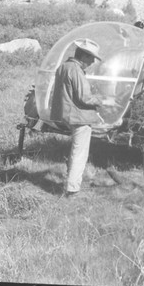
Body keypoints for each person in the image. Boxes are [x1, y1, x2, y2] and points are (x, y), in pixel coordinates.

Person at [50, 38, 104, 197]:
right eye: (92, 58)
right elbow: (84, 98)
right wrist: (102, 100)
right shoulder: (76, 70)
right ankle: (72, 190)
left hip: (67, 115)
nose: (93, 61)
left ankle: (70, 183)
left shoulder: (64, 67)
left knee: (75, 151)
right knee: (79, 154)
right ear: (85, 56)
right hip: (79, 117)